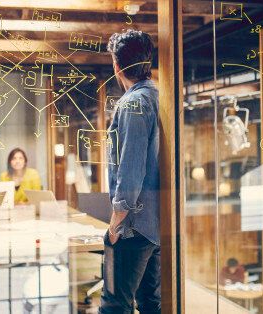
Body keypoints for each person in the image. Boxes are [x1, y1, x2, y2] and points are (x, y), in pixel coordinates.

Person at [100, 29, 161, 314]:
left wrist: (114, 226)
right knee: (151, 304)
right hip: (158, 225)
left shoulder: (132, 103)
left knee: (114, 305)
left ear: (116, 65)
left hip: (133, 227)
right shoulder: (160, 97)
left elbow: (130, 172)